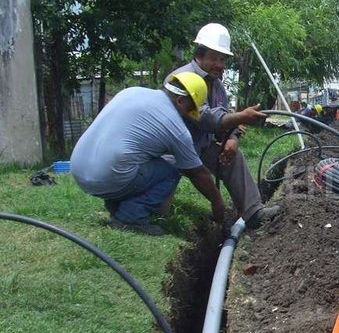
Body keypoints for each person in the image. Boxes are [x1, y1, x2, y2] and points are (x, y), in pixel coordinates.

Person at [71, 72, 227, 235]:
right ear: (180, 101)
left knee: (137, 160)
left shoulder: (131, 92)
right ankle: (130, 217)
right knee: (172, 170)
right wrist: (217, 203)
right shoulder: (174, 126)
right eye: (190, 110)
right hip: (107, 178)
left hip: (79, 171)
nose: (188, 116)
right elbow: (197, 172)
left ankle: (116, 206)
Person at [167, 23, 279, 229]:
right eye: (214, 58)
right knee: (161, 201)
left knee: (233, 157)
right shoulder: (182, 80)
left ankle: (254, 212)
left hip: (200, 146)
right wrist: (242, 117)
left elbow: (225, 117)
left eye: (222, 59)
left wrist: (233, 139)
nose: (219, 64)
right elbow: (206, 119)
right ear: (199, 55)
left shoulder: (217, 86)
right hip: (173, 151)